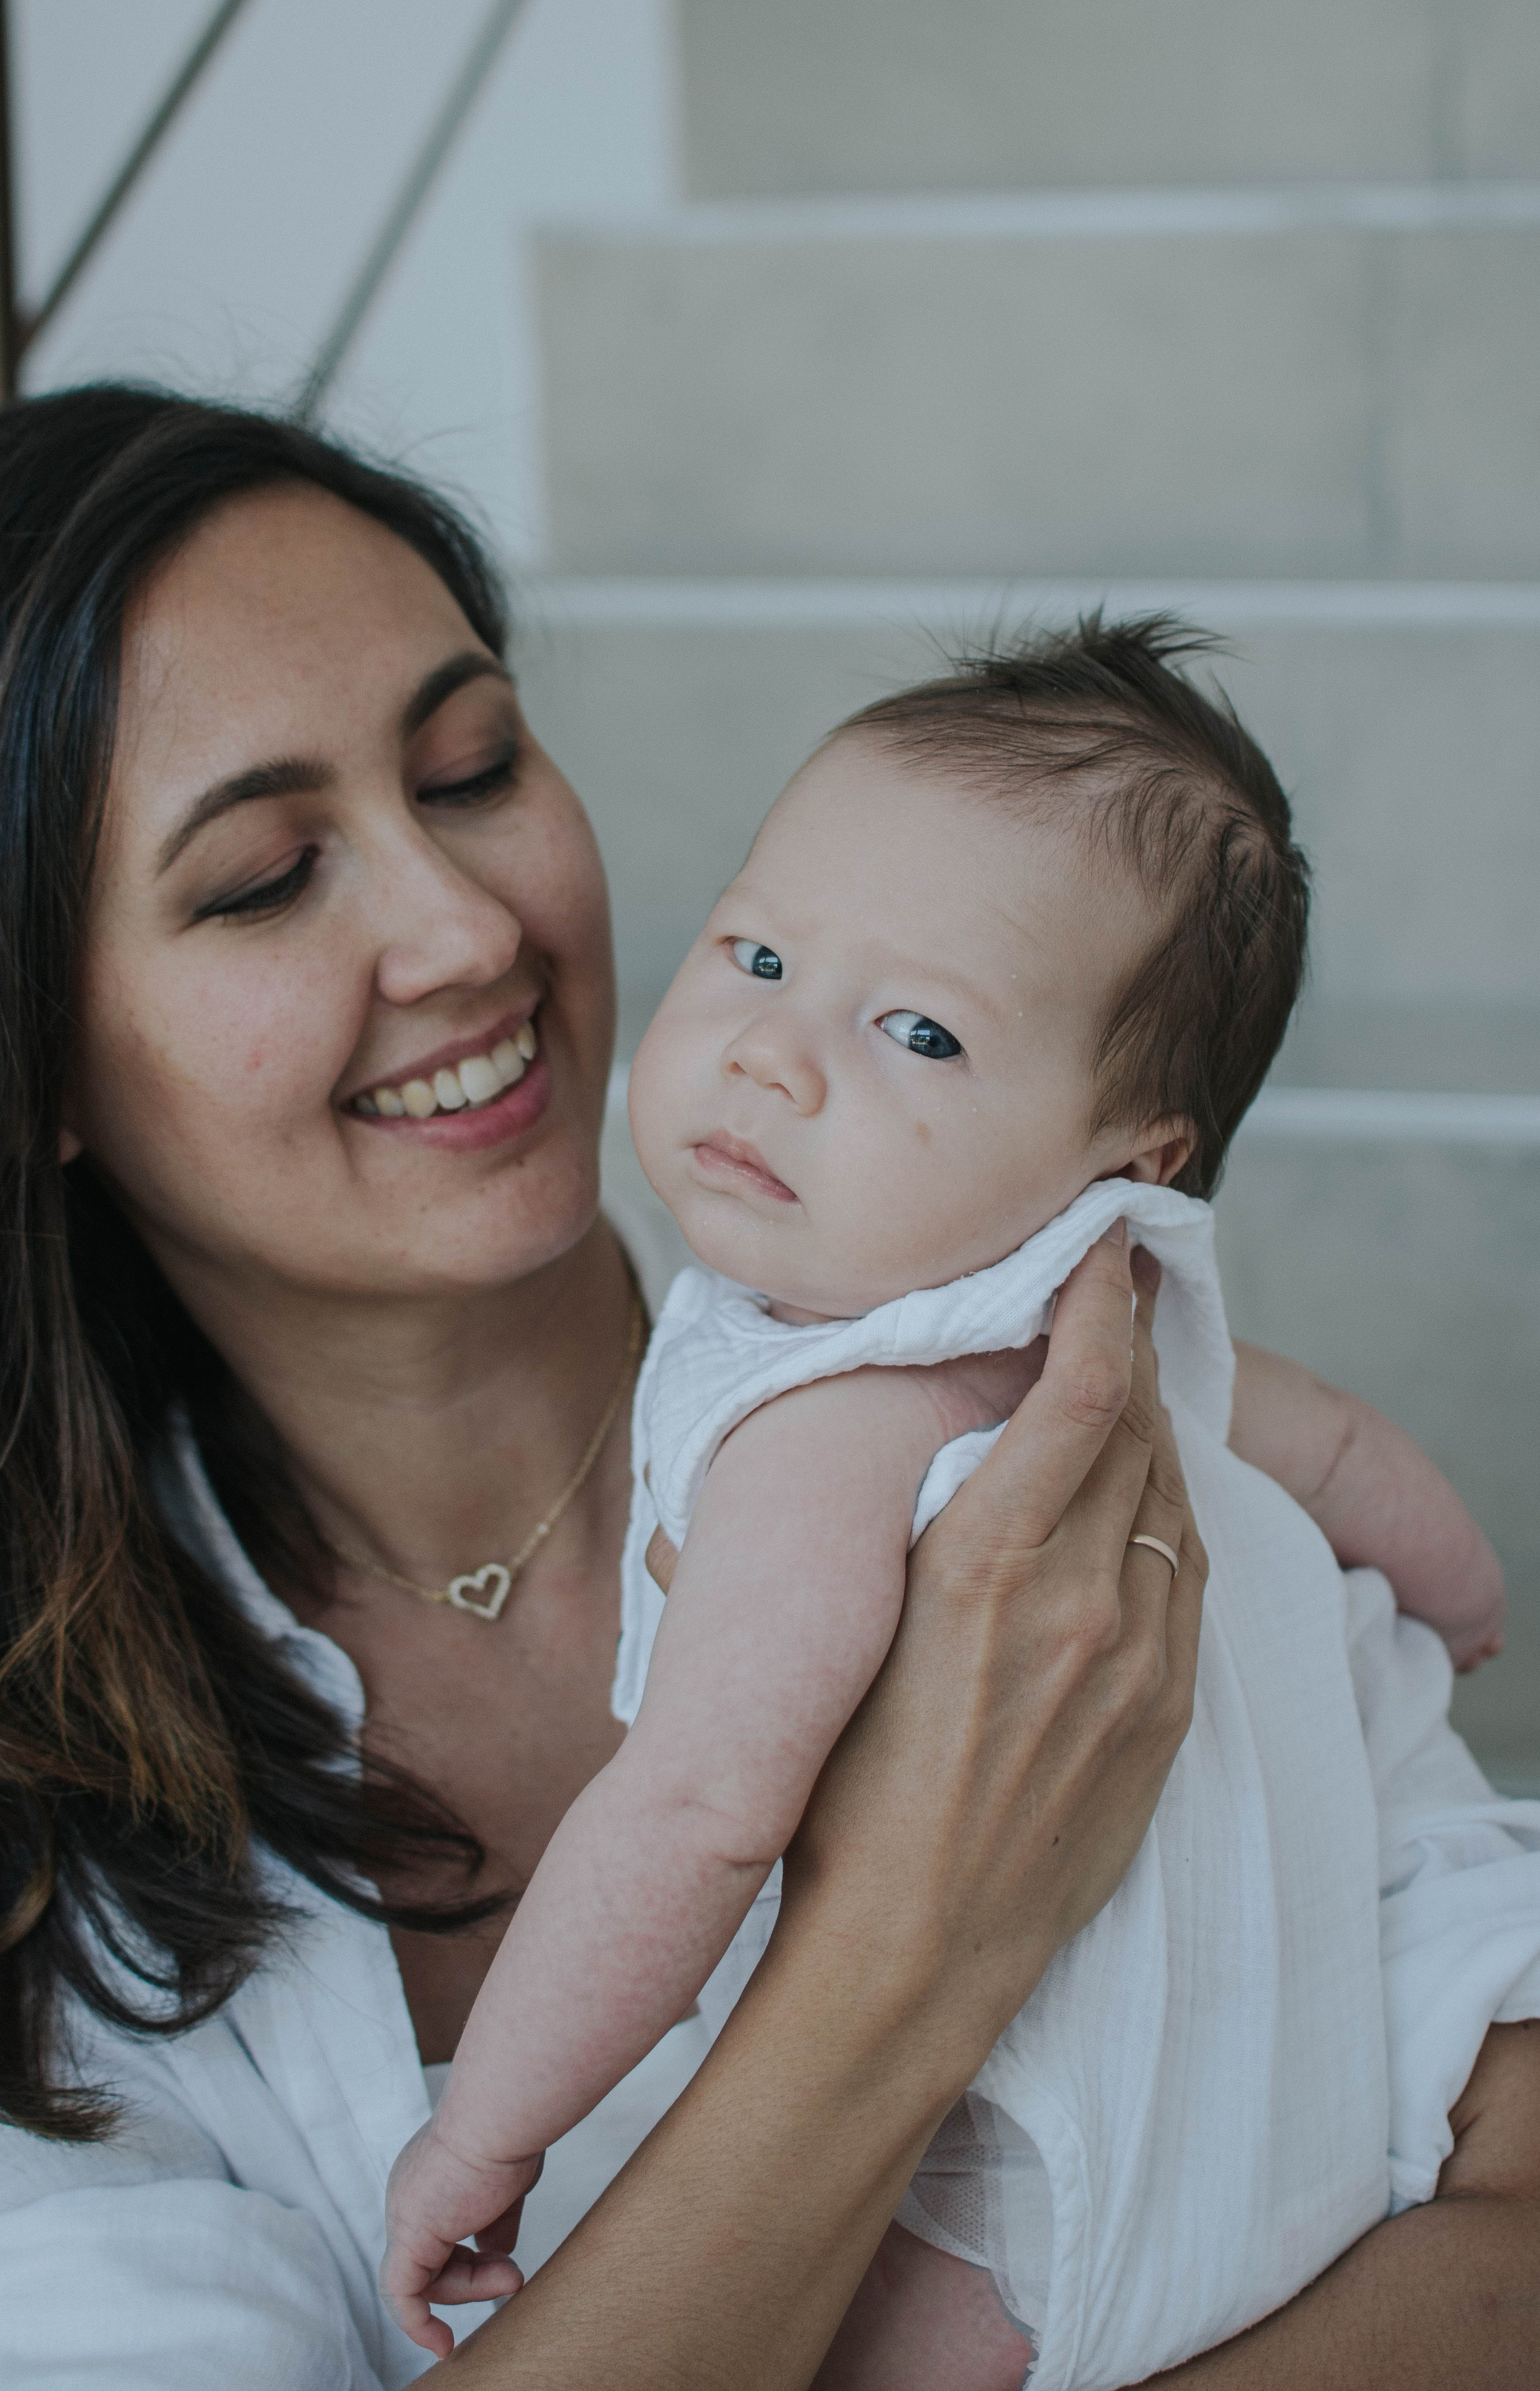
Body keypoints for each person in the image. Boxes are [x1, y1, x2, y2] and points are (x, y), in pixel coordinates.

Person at [0, 388, 1534, 2391]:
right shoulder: (1, 1863)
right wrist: (904, 1952)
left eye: (474, 764)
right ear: (25, 1054)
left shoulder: (1066, 1427)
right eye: (265, 876)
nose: (463, 926)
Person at [380, 622, 1512, 2389]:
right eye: (757, 951)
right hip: (1295, 2138)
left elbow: (692, 1812)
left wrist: (491, 2135)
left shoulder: (827, 1422)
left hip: (1010, 2201)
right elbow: (1348, 1454)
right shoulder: (1122, 1347)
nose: (773, 1055)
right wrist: (1455, 1612)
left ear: (1130, 1165)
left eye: (919, 1031)